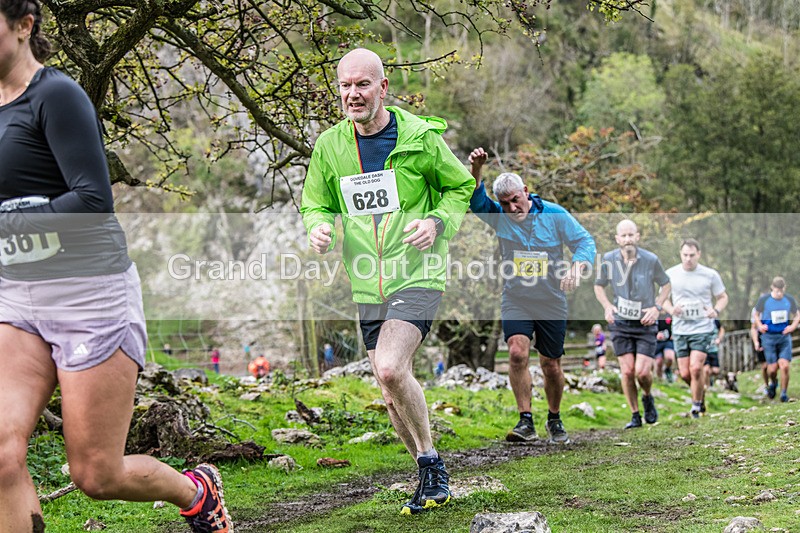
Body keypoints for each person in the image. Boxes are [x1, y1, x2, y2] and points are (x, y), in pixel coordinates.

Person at [0, 3, 231, 531]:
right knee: (1, 452)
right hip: (15, 296)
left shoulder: (55, 95)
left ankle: (197, 491)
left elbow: (91, 200)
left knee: (95, 474)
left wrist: (9, 221)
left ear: (23, 24)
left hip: (89, 294)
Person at [300, 48, 474, 514]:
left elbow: (461, 186)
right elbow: (315, 202)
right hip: (366, 282)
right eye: (345, 86)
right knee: (388, 388)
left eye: (362, 84)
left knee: (392, 368)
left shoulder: (419, 137)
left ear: (383, 87)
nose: (353, 94)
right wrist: (318, 226)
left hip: (418, 272)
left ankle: (432, 464)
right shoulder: (330, 146)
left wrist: (437, 222)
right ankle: (427, 470)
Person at [468, 147, 595, 445]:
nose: (512, 208)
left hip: (551, 299)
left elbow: (584, 241)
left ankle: (554, 417)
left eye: (516, 200)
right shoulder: (499, 216)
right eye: (506, 203)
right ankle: (525, 420)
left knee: (551, 365)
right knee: (516, 353)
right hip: (516, 298)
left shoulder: (554, 214)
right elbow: (475, 202)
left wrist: (576, 269)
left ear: (525, 191)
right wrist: (476, 169)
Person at [594, 220, 671, 429]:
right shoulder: (608, 260)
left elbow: (666, 284)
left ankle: (647, 396)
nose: (627, 239)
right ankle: (635, 414)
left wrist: (657, 307)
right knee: (627, 372)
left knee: (642, 373)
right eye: (623, 236)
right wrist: (607, 306)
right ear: (617, 239)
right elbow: (599, 286)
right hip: (621, 323)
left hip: (645, 323)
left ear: (638, 236)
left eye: (631, 235)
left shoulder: (651, 260)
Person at [664, 238, 728, 418]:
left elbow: (722, 297)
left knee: (696, 368)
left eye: (692, 255)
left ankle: (695, 406)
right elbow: (662, 299)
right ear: (680, 254)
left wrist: (715, 310)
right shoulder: (670, 274)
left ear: (698, 254)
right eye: (685, 255)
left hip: (702, 328)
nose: (688, 259)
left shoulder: (710, 275)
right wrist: (670, 309)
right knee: (685, 373)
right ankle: (700, 394)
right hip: (680, 330)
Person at [754, 276, 799, 402]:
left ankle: (784, 394)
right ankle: (773, 383)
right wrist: (759, 325)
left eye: (781, 290)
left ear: (784, 288)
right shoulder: (764, 300)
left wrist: (793, 327)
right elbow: (756, 314)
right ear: (772, 288)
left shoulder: (789, 299)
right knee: (772, 369)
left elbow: (797, 315)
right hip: (768, 337)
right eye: (776, 290)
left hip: (784, 336)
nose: (779, 293)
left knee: (784, 366)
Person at [750, 303, 769, 392]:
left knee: (773, 365)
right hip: (761, 338)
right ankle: (767, 385)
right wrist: (756, 342)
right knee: (764, 366)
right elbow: (753, 328)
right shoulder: (756, 310)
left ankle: (773, 381)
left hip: (773, 336)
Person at [654, 314, 676, 383]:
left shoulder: (669, 313)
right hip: (657, 342)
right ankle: (660, 380)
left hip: (668, 341)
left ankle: (667, 369)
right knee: (658, 362)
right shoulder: (653, 312)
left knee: (670, 358)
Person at [704, 319, 724, 389]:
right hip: (704, 350)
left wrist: (719, 339)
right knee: (706, 370)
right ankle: (708, 387)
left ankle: (710, 379)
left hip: (713, 349)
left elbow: (721, 329)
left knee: (715, 371)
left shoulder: (715, 321)